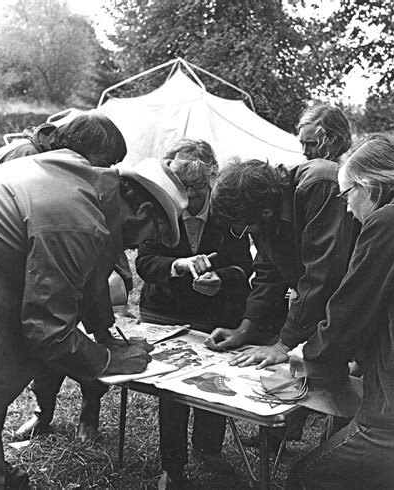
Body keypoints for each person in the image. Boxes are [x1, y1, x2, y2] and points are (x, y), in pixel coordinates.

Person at [0, 131, 188, 489]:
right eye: (148, 236)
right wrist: (106, 361)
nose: (137, 247)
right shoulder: (79, 216)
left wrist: (104, 335)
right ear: (142, 210)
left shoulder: (83, 182)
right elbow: (47, 330)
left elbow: (85, 279)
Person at [0, 110, 134, 443]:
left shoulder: (66, 171)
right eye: (106, 162)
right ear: (84, 152)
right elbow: (48, 316)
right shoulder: (39, 169)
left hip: (16, 257)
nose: (107, 173)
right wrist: (102, 353)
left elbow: (94, 266)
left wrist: (102, 329)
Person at [287, 133, 394, 489]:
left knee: (305, 479)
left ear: (369, 185)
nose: (347, 209)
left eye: (346, 195)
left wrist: (306, 353)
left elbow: (348, 313)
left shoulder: (390, 221)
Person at [205, 105, 356, 448]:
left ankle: (334, 460)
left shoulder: (319, 183)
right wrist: (246, 328)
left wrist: (284, 343)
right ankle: (287, 437)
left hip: (363, 298)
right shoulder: (265, 207)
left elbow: (323, 274)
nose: (245, 233)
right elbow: (268, 271)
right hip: (330, 298)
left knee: (342, 376)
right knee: (301, 363)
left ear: (267, 210)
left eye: (246, 227)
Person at [135, 138, 253, 488]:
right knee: (172, 392)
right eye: (180, 187)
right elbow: (144, 261)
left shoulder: (227, 211)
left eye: (197, 188)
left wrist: (222, 279)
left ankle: (209, 449)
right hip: (165, 312)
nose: (188, 196)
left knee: (214, 385)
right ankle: (173, 466)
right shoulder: (158, 207)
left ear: (212, 182)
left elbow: (243, 265)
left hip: (215, 313)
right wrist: (178, 265)